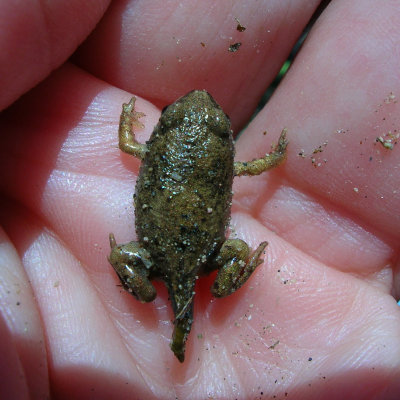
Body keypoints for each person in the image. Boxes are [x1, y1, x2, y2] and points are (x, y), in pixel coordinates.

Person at [0, 1, 399, 398]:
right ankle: (188, 313)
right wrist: (278, 156)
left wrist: (127, 119)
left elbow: (125, 143)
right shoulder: (226, 165)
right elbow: (262, 164)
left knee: (123, 255)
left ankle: (164, 308)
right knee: (238, 248)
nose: (202, 100)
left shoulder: (153, 151)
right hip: (199, 255)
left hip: (156, 253)